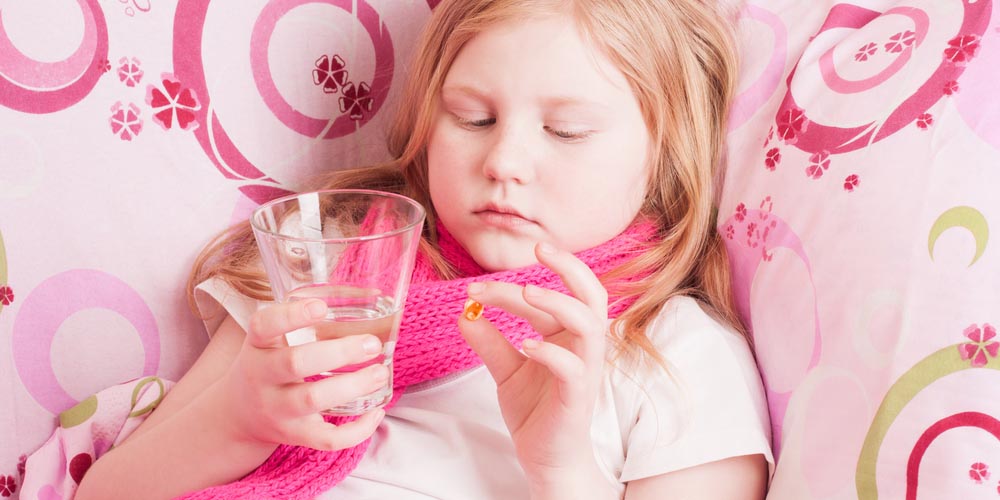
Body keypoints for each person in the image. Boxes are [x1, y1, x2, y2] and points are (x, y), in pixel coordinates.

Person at [75, 0, 772, 498]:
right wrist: (240, 419)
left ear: (665, 158)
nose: (504, 159)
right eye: (473, 117)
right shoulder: (331, 271)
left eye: (566, 130)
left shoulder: (677, 353)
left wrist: (561, 470)